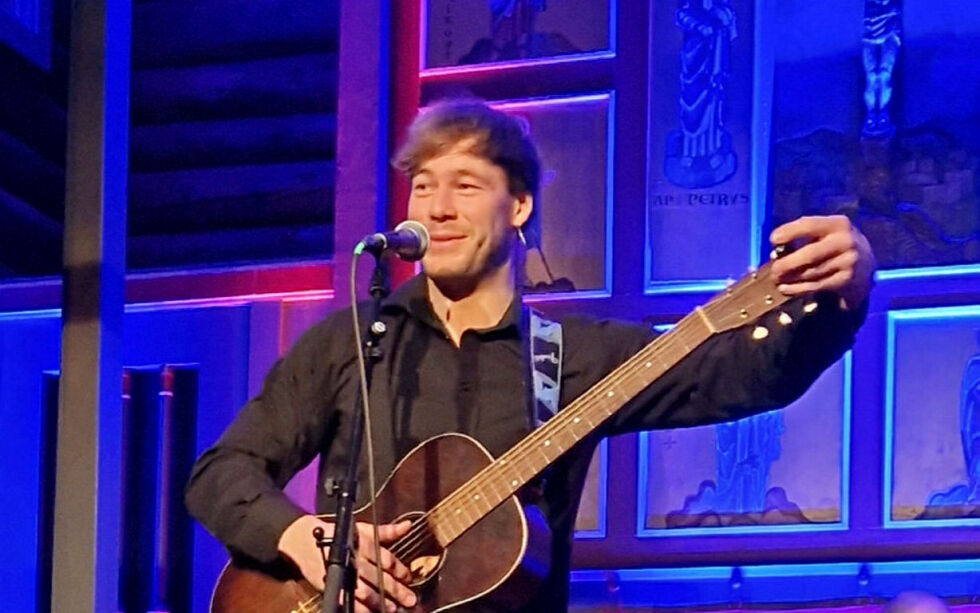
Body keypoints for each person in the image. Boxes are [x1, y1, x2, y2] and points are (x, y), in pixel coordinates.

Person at [185, 99, 875, 613]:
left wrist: (846, 296)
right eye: (423, 183)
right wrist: (300, 535)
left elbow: (742, 376)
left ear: (518, 205)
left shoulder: (575, 358)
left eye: (464, 183)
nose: (436, 205)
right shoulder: (352, 341)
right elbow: (220, 472)